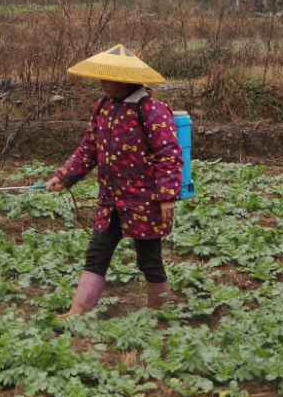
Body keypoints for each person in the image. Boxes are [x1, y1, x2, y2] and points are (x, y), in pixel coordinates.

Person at [45, 45, 183, 318]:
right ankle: (78, 311)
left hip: (144, 202)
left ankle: (160, 312)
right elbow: (88, 149)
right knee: (97, 253)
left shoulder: (152, 110)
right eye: (102, 78)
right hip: (111, 201)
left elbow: (169, 154)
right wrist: (64, 176)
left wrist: (167, 196)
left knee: (149, 260)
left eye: (108, 79)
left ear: (126, 80)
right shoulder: (103, 108)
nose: (103, 83)